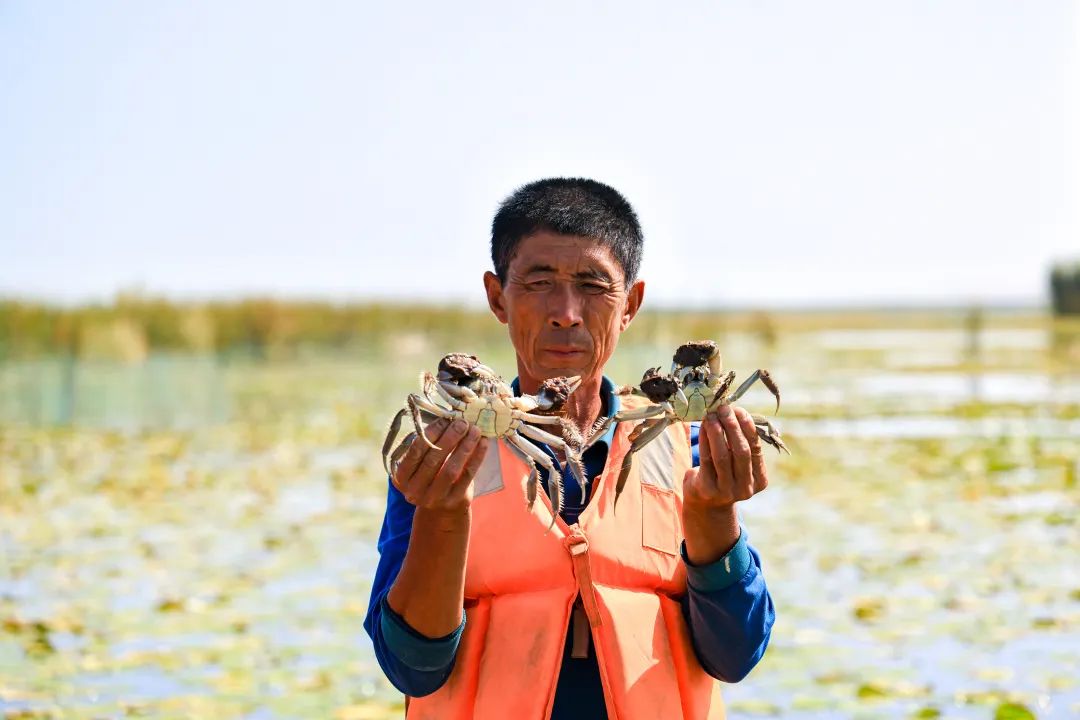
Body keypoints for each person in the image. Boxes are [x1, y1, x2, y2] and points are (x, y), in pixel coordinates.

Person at [364, 178, 775, 719]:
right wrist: (440, 515)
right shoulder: (439, 454)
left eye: (592, 285)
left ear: (630, 304)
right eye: (538, 282)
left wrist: (714, 514)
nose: (566, 312)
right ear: (497, 297)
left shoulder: (686, 448)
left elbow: (735, 655)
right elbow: (411, 665)